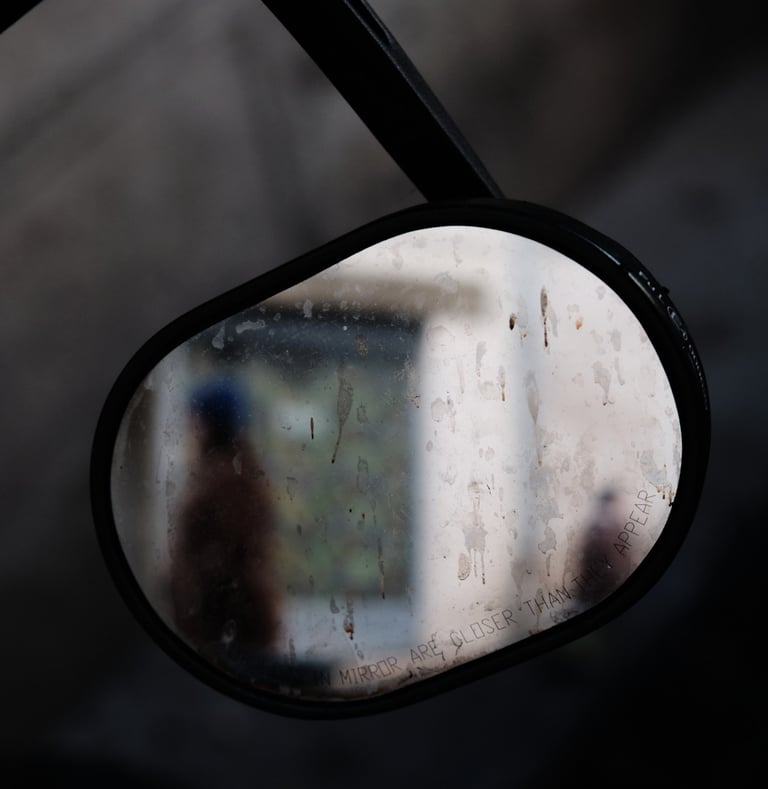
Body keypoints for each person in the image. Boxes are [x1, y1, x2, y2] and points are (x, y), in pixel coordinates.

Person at [169, 375, 281, 669]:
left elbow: (221, 564)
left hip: (230, 628)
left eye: (195, 419)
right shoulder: (236, 475)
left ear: (208, 423)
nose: (190, 428)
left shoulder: (227, 483)